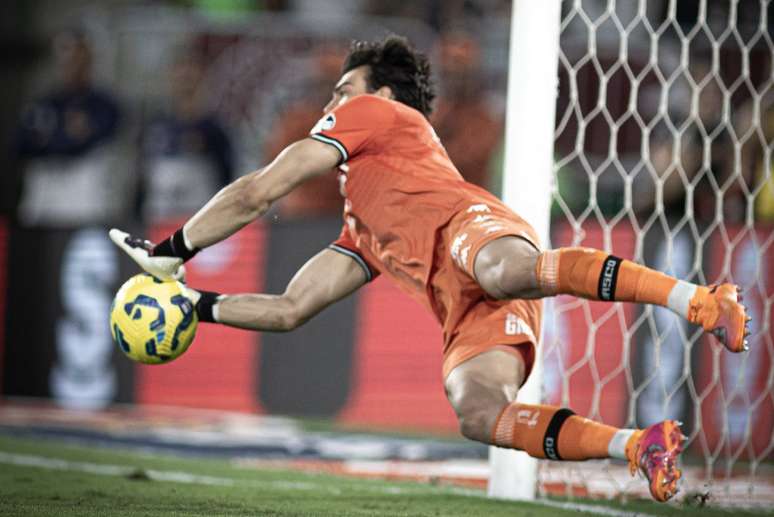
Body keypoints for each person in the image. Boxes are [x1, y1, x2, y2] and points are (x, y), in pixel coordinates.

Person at [110, 35, 750, 503]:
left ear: (380, 95)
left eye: (342, 89)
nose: (331, 100)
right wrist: (196, 306)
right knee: (477, 416)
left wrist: (173, 251)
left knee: (502, 270)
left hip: (477, 232)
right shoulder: (365, 225)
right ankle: (640, 446)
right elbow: (289, 310)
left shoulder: (378, 115)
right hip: (464, 306)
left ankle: (700, 300)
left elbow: (258, 190)